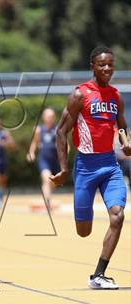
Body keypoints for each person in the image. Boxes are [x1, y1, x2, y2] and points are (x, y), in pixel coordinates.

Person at [50, 46, 131, 289]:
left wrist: (126, 143)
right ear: (93, 66)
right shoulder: (80, 95)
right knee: (83, 231)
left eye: (110, 64)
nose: (107, 68)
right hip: (85, 167)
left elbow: (122, 126)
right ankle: (86, 212)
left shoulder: (116, 97)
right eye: (102, 64)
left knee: (117, 216)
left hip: (110, 165)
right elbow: (61, 132)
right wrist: (64, 169)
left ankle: (98, 275)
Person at [27, 108, 60, 208]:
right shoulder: (38, 129)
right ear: (43, 117)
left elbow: (65, 144)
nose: (50, 118)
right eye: (48, 116)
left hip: (55, 160)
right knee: (46, 179)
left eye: (52, 116)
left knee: (54, 182)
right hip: (44, 159)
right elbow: (34, 142)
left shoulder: (57, 129)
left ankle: (47, 195)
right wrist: (31, 152)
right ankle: (48, 203)